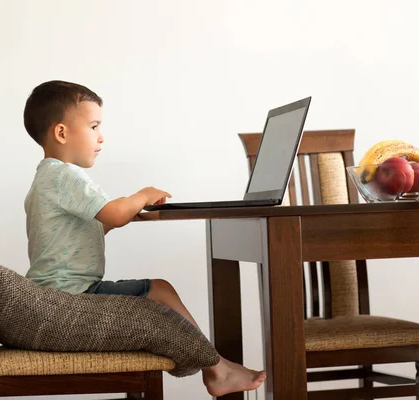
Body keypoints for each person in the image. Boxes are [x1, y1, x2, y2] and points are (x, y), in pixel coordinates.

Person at [22, 80, 266, 396]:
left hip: (58, 291)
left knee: (159, 291)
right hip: (68, 296)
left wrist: (130, 208)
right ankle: (216, 369)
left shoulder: (48, 177)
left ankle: (216, 366)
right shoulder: (63, 175)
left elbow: (90, 228)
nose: (101, 136)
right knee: (161, 290)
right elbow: (113, 214)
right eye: (94, 126)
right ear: (61, 133)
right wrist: (142, 194)